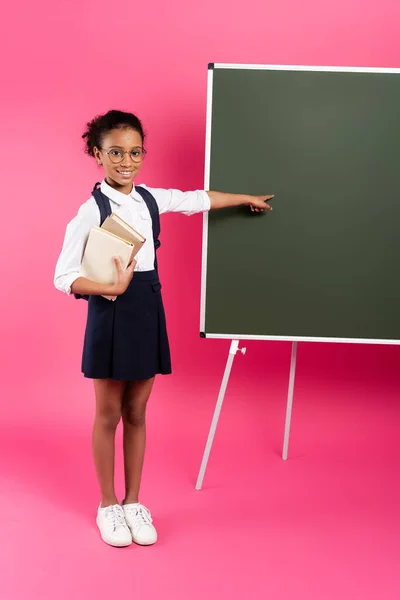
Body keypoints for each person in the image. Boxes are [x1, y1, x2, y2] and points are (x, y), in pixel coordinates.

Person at [54, 109, 274, 548]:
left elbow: (197, 199)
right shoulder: (89, 211)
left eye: (135, 152)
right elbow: (63, 277)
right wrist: (108, 287)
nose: (126, 161)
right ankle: (108, 505)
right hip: (110, 310)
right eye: (115, 152)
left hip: (148, 308)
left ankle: (134, 502)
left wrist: (245, 197)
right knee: (109, 413)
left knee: (137, 412)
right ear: (97, 154)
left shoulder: (150, 198)